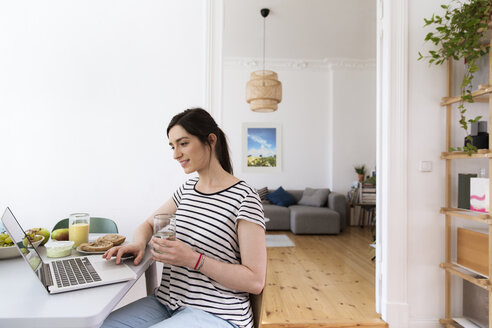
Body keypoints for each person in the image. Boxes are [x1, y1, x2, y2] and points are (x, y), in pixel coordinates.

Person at [101, 108, 266, 328]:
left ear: (210, 140)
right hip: (167, 302)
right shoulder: (187, 189)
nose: (175, 154)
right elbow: (148, 224)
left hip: (218, 312)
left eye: (183, 143)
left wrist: (193, 259)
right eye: (172, 146)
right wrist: (139, 243)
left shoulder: (245, 197)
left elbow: (255, 281)